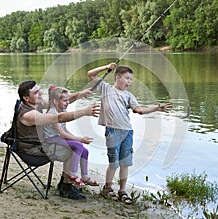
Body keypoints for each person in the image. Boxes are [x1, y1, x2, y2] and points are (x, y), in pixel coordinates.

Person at [87, 63, 172, 204]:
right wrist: (106, 67)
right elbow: (90, 73)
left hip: (127, 132)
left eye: (131, 79)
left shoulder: (129, 96)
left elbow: (139, 110)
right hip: (112, 131)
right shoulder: (106, 89)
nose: (129, 82)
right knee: (113, 163)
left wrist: (157, 108)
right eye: (127, 78)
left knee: (125, 163)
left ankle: (122, 191)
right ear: (118, 77)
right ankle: (107, 189)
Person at [16, 80, 99, 199]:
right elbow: (59, 117)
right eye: (36, 93)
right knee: (73, 150)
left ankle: (64, 183)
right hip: (32, 150)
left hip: (39, 143)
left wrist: (81, 94)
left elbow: (58, 101)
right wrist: (84, 112)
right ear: (26, 98)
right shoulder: (29, 115)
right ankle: (66, 186)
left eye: (39, 90)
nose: (40, 94)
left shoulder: (35, 104)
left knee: (74, 146)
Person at [43, 86, 99, 187]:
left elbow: (65, 130)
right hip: (51, 139)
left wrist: (78, 139)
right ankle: (72, 174)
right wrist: (80, 140)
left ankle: (85, 176)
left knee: (85, 150)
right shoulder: (53, 113)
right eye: (65, 100)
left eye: (68, 100)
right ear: (55, 101)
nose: (68, 102)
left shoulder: (63, 111)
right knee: (77, 146)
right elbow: (62, 134)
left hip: (59, 137)